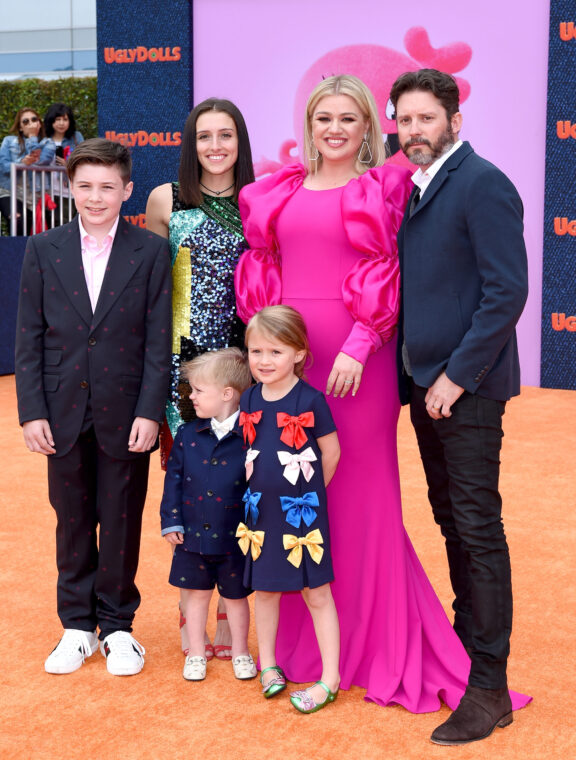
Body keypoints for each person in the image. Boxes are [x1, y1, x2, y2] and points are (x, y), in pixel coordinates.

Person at [235, 73, 531, 715]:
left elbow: (398, 274)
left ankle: (380, 641)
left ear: (371, 127)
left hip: (357, 367)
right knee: (293, 492)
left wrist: (363, 344)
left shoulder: (388, 187)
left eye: (349, 118)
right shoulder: (276, 191)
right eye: (324, 119)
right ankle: (303, 642)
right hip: (290, 365)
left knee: (362, 494)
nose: (335, 129)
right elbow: (264, 272)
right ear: (308, 125)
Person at [391, 68, 530, 744]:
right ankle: (466, 644)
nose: (413, 131)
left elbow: (507, 292)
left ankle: (490, 687)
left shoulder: (482, 183)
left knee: (476, 527)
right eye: (405, 120)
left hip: (464, 390)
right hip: (425, 385)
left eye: (425, 119)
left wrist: (457, 377)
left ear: (453, 121)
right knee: (450, 520)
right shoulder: (416, 188)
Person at [15, 138, 172, 677]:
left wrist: (151, 411)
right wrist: (31, 410)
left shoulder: (151, 251)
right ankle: (77, 626)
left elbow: (158, 339)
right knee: (72, 519)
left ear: (127, 190)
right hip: (60, 410)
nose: (96, 197)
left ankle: (120, 627)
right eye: (85, 187)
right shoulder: (43, 249)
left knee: (122, 519)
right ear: (70, 188)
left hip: (127, 410)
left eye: (108, 187)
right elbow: (29, 336)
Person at [146, 98, 255, 661]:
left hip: (242, 365)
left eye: (226, 135)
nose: (215, 146)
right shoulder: (166, 199)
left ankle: (228, 607)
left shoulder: (261, 198)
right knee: (190, 482)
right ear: (190, 143)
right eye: (204, 136)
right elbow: (153, 286)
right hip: (182, 371)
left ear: (241, 141)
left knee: (241, 483)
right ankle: (193, 613)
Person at [240, 306, 341, 713]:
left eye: (276, 352)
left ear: (299, 353)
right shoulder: (248, 396)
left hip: (302, 515)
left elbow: (330, 453)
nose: (264, 361)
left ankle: (329, 678)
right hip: (259, 514)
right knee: (264, 591)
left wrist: (307, 495)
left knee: (316, 593)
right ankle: (269, 664)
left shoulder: (311, 399)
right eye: (255, 351)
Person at [160, 348, 257, 682]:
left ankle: (241, 650)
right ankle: (197, 653)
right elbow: (172, 479)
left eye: (199, 390)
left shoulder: (249, 435)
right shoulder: (187, 435)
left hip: (235, 537)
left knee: (236, 598)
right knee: (197, 597)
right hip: (191, 535)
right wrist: (170, 521)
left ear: (227, 394)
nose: (191, 396)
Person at [0, 107, 54, 234]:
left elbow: (41, 161)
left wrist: (32, 137)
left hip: (36, 196)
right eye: (25, 121)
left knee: (37, 233)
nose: (30, 123)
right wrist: (21, 163)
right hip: (11, 192)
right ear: (20, 127)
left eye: (34, 119)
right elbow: (3, 167)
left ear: (39, 123)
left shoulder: (48, 143)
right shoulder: (8, 141)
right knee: (17, 221)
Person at [43, 103, 84, 218]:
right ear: (51, 121)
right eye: (57, 119)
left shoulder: (76, 137)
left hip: (69, 191)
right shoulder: (44, 138)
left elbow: (84, 160)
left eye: (65, 119)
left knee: (66, 224)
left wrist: (68, 165)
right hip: (48, 190)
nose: (61, 123)